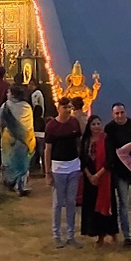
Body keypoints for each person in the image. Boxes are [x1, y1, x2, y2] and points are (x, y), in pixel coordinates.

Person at [45, 97, 83, 249]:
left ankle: (71, 235)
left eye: (70, 107)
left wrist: (80, 164)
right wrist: (47, 173)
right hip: (58, 169)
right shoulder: (52, 126)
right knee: (58, 203)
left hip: (74, 167)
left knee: (71, 202)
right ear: (58, 108)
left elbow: (78, 144)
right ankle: (56, 234)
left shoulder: (74, 123)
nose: (68, 110)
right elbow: (48, 150)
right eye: (65, 107)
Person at [105, 102, 131, 248]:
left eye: (122, 113)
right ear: (113, 114)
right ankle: (127, 236)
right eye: (117, 113)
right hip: (120, 173)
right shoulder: (109, 129)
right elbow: (109, 151)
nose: (120, 116)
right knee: (123, 205)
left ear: (125, 112)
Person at [80, 114, 118, 245]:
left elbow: (111, 159)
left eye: (98, 123)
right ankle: (99, 235)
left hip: (105, 177)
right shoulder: (86, 141)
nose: (96, 126)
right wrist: (90, 175)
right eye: (93, 124)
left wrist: (98, 175)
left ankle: (113, 233)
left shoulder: (107, 139)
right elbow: (83, 159)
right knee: (93, 206)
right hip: (90, 179)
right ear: (89, 127)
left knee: (107, 205)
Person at [0, 85, 35, 195]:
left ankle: (10, 182)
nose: (7, 94)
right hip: (25, 140)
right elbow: (29, 125)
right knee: (23, 162)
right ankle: (21, 184)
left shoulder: (5, 106)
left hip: (8, 139)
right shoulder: (27, 107)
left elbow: (0, 123)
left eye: (8, 92)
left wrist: (2, 133)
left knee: (9, 162)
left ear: (13, 94)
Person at [29, 79, 47, 172]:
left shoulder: (36, 94)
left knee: (38, 148)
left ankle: (38, 165)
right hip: (38, 122)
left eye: (30, 84)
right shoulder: (37, 94)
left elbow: (36, 107)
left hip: (37, 124)